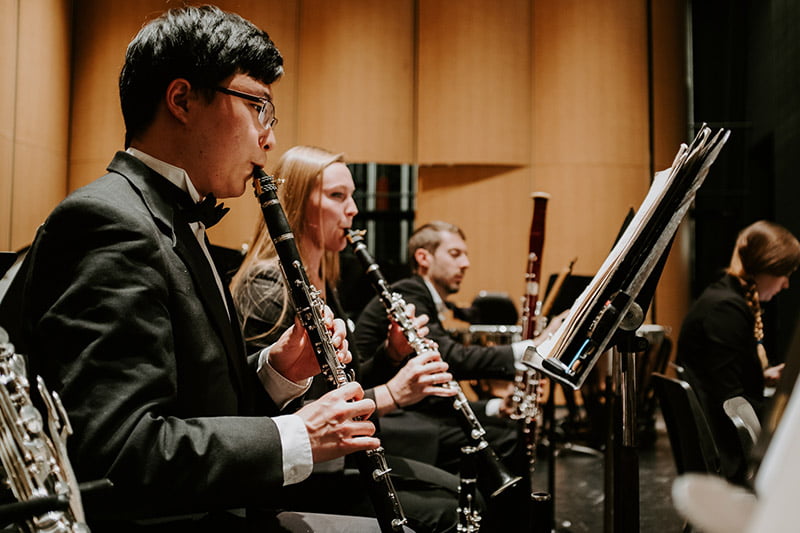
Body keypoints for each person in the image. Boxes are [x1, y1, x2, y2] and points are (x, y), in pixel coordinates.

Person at [0, 6, 392, 532]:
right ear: (182, 99)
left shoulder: (170, 216)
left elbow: (197, 403)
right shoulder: (108, 222)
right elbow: (120, 453)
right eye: (258, 107)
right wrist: (297, 435)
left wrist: (277, 372)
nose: (269, 138)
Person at [231, 145, 475, 533]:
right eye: (337, 196)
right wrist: (394, 393)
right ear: (295, 201)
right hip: (300, 475)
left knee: (462, 495)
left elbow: (350, 381)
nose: (353, 210)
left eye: (352, 196)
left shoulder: (325, 280)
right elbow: (285, 409)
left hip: (339, 459)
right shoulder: (265, 288)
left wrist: (390, 354)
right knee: (446, 513)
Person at [676, 220, 800, 482]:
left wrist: (763, 378)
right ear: (768, 268)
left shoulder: (724, 298)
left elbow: (720, 380)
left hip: (721, 435)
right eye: (785, 274)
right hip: (728, 450)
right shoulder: (725, 310)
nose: (786, 284)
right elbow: (729, 403)